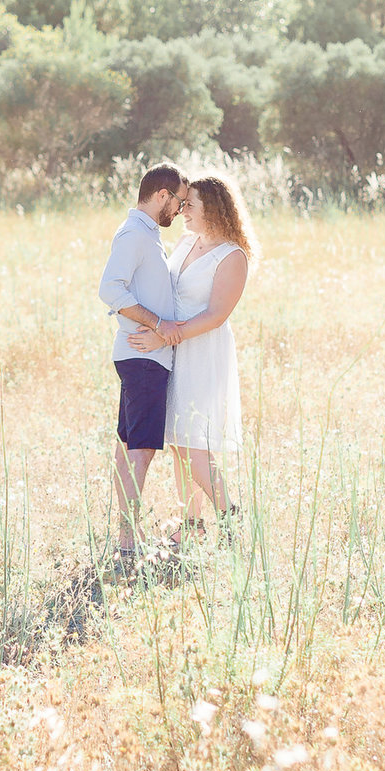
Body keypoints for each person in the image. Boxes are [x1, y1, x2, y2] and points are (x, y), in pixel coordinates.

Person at [128, 173, 255, 538]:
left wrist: (166, 335)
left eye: (190, 205)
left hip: (201, 349)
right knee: (178, 441)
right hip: (173, 348)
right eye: (183, 204)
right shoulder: (186, 242)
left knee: (193, 442)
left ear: (213, 208)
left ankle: (231, 517)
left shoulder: (232, 256)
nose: (182, 211)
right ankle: (193, 526)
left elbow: (217, 315)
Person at [97, 163, 186, 560]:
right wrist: (159, 323)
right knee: (141, 448)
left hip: (143, 355)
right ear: (162, 195)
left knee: (130, 443)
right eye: (179, 202)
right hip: (143, 356)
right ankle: (128, 541)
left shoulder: (146, 234)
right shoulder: (135, 234)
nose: (180, 211)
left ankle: (126, 538)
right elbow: (110, 288)